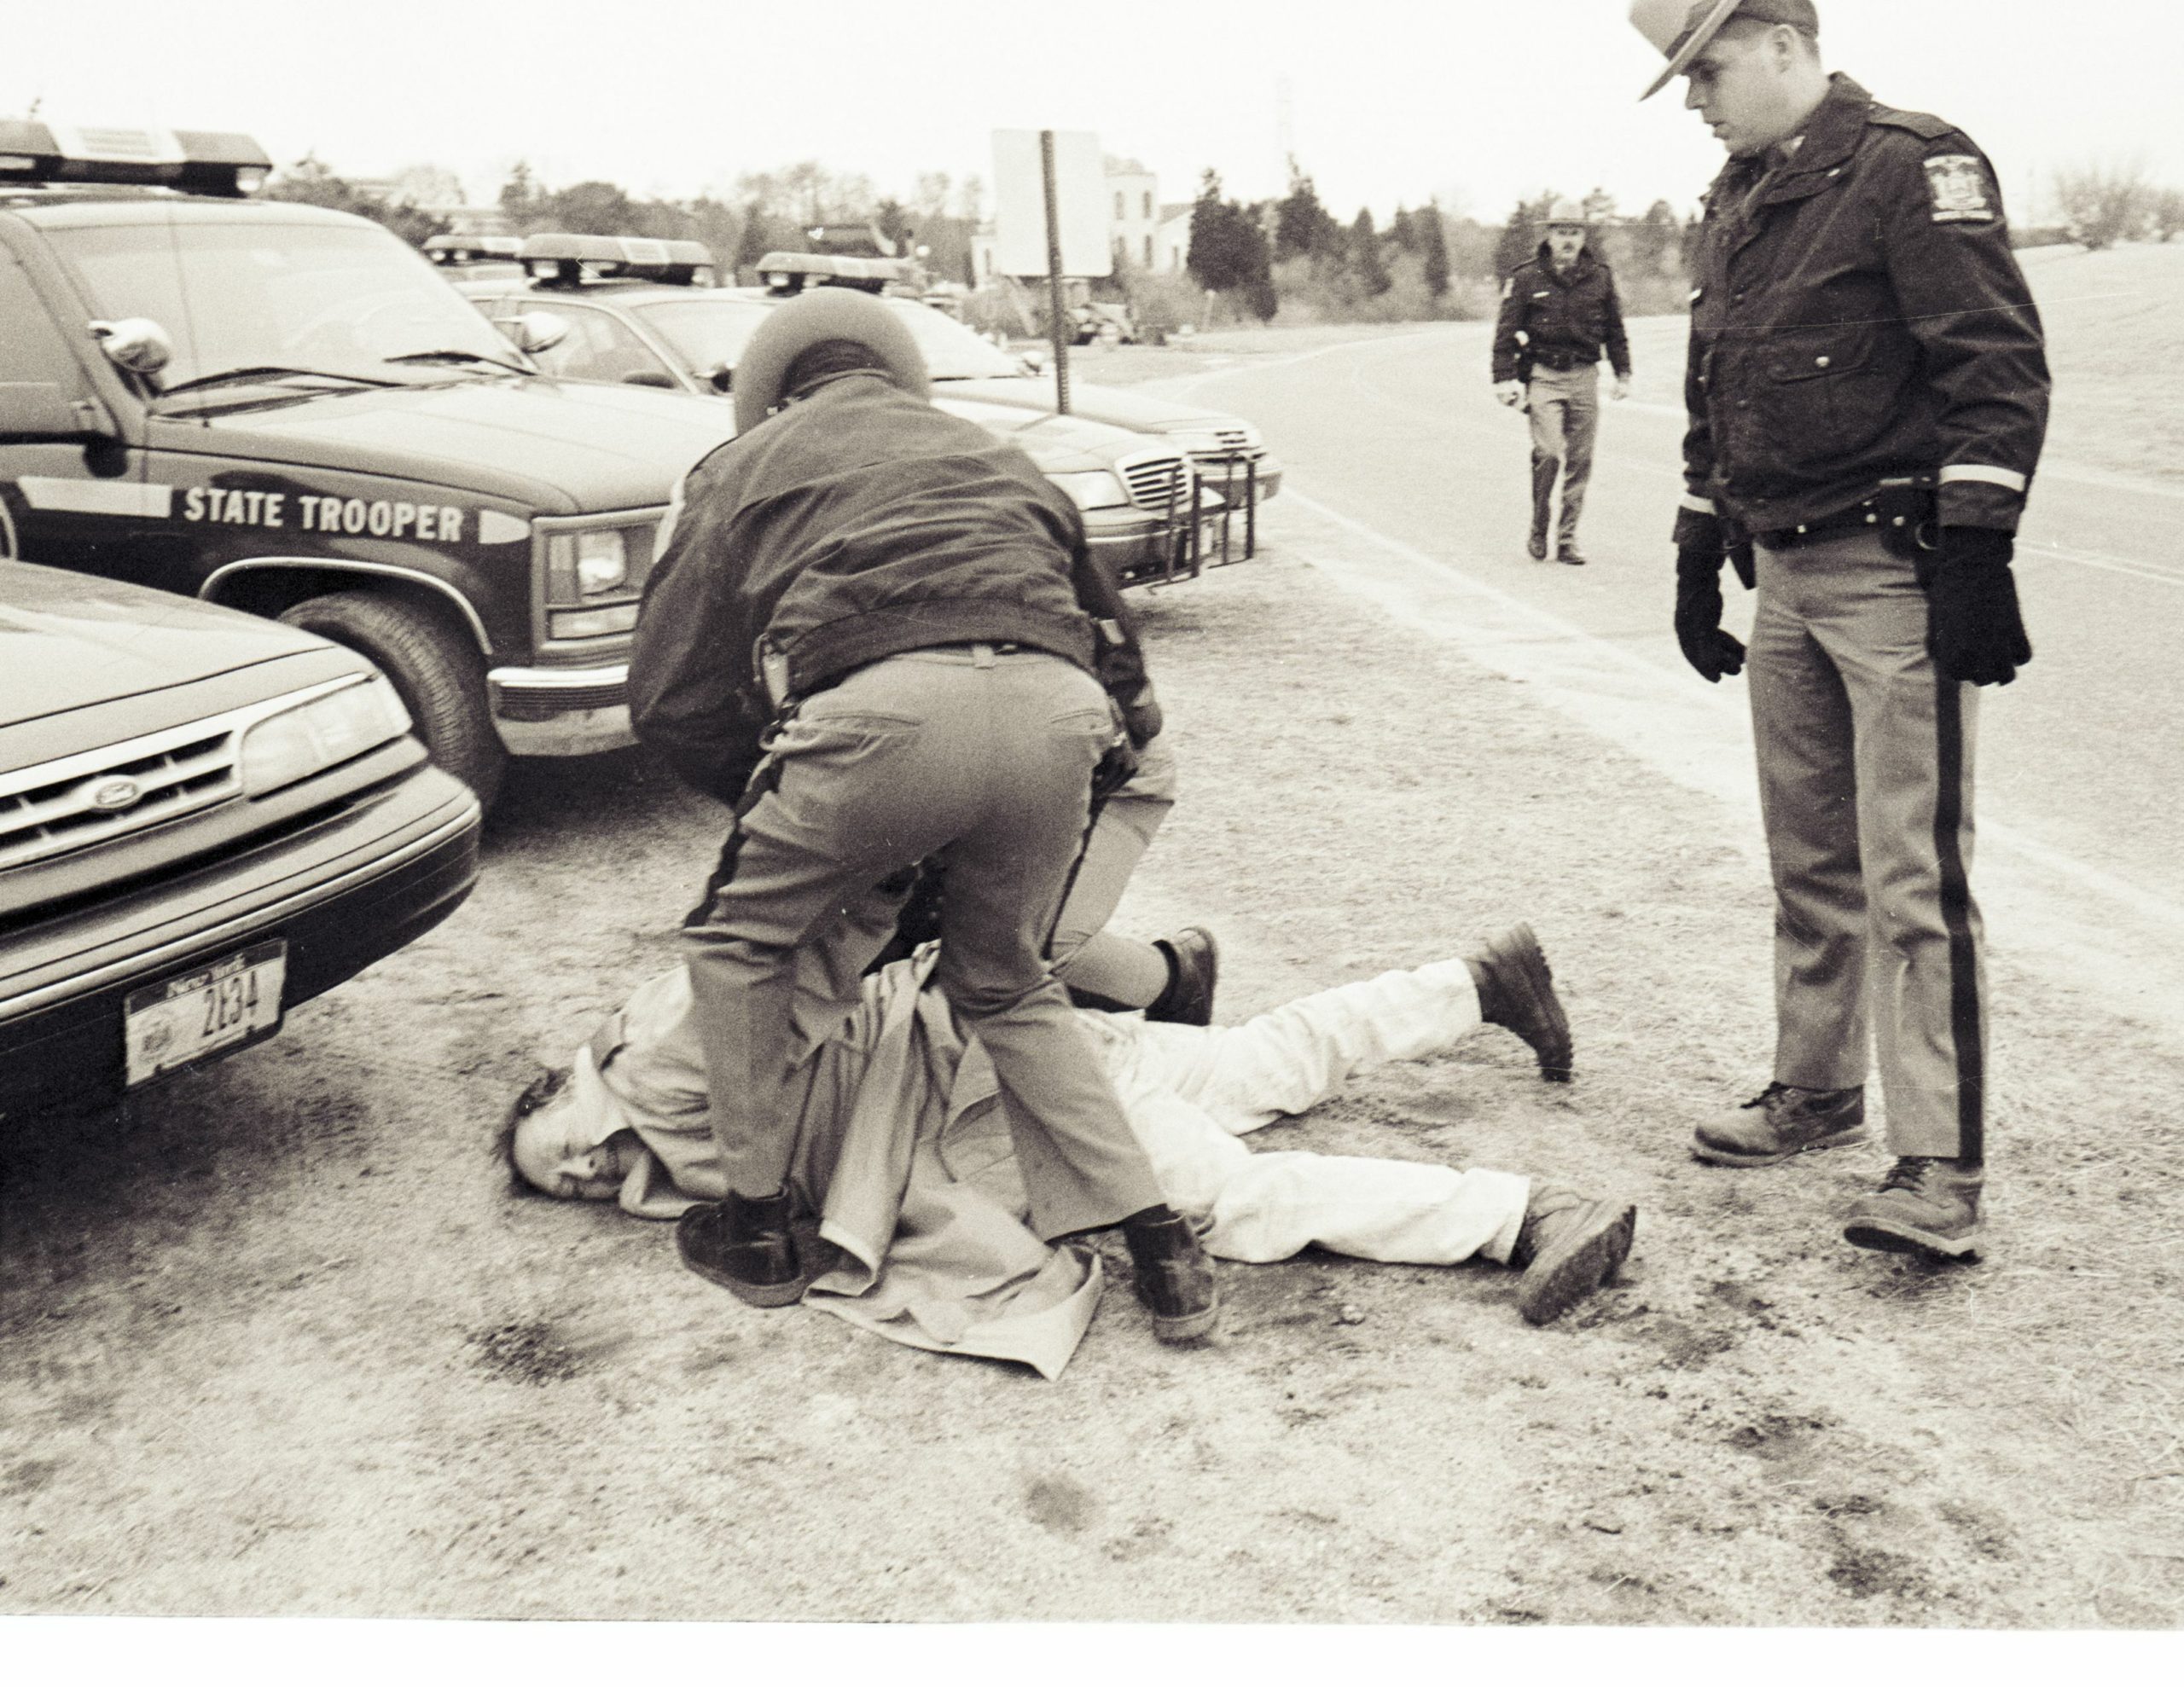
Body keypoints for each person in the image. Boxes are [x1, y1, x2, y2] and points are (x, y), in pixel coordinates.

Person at [626, 287, 1217, 1342]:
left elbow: (667, 699)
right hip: (1057, 713)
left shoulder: (738, 467)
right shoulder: (996, 453)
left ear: (770, 398)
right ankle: (1162, 1248)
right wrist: (1088, 765)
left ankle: (756, 1228)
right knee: (1005, 978)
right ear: (902, 378)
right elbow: (1122, 665)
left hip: (877, 717)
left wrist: (793, 806)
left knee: (736, 946)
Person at [1629, 0, 2049, 1261]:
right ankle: (1815, 1090)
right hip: (1788, 574)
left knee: (1917, 876)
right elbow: (1722, 379)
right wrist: (1700, 541)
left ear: (1780, 42)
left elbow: (1994, 362)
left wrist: (1978, 550)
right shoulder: (1741, 197)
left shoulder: (1911, 167)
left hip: (1894, 572)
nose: (1697, 99)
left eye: (1703, 71)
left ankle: (1939, 1166)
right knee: (1809, 859)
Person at [506, 922, 1623, 1378]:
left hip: (985, 1077)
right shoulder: (653, 1141)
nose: (579, 1172)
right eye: (565, 1188)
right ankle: (1477, 981)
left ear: (562, 1087)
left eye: (556, 1147)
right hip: (1002, 1039)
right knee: (1246, 1071)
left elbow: (788, 960)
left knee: (1227, 1202)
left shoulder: (651, 1048)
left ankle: (1524, 1213)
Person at [1490, 200, 1634, 565]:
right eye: (1561, 231)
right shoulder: (1526, 278)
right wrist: (1504, 379)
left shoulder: (1600, 276)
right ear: (1549, 235)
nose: (1568, 239)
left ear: (1583, 236)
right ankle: (1539, 526)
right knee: (1550, 453)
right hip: (1544, 376)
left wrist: (1624, 373)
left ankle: (1567, 539)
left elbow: (1616, 330)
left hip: (1585, 375)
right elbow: (1506, 333)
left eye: (1574, 231)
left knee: (1580, 461)